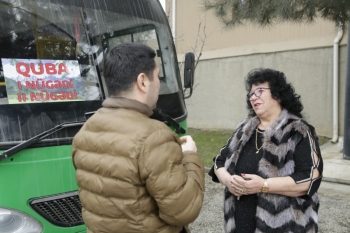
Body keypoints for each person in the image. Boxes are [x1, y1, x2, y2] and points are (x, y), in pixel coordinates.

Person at [72, 43, 205, 233]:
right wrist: (190, 157)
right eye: (157, 77)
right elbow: (183, 210)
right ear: (143, 81)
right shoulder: (154, 136)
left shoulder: (86, 131)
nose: (158, 83)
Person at [209, 68, 323, 233]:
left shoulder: (299, 130)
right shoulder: (244, 129)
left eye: (260, 91)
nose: (253, 96)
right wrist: (228, 181)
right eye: (251, 94)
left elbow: (310, 179)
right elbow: (219, 161)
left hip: (286, 227)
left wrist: (263, 185)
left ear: (277, 94)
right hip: (239, 226)